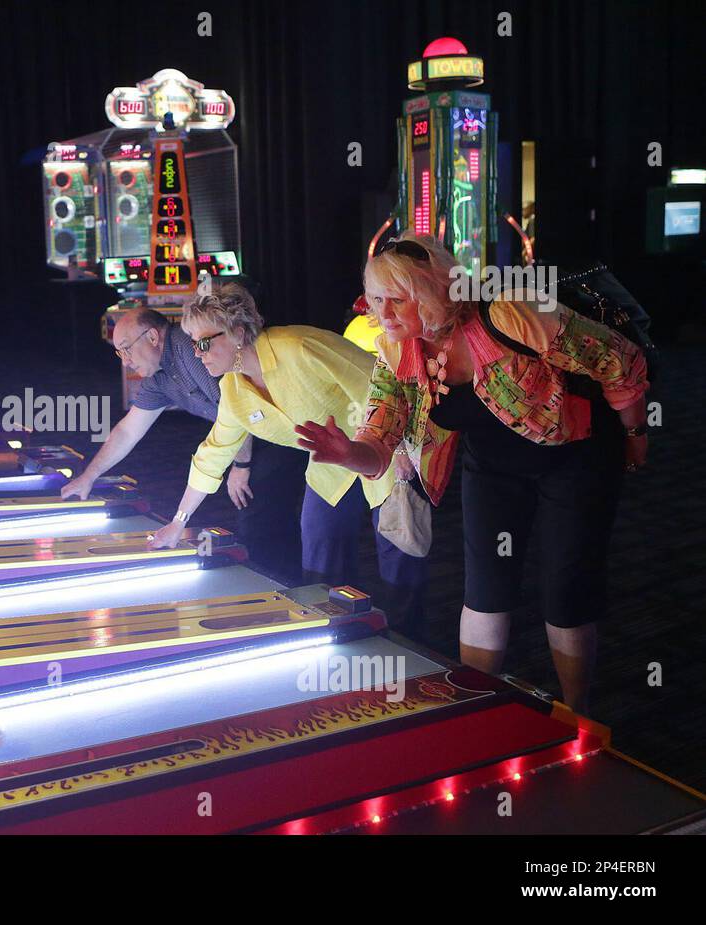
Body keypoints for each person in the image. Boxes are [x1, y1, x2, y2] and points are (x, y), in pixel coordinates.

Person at [295, 232, 649, 714]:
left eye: (398, 300)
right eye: (376, 299)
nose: (383, 313)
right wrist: (347, 452)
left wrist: (635, 432)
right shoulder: (397, 349)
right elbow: (379, 442)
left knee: (566, 588)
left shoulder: (509, 314)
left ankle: (576, 711)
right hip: (493, 465)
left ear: (435, 294)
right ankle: (476, 705)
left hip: (575, 454)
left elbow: (618, 359)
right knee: (484, 587)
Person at [146, 281, 427, 626]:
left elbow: (380, 382)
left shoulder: (298, 347)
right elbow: (212, 455)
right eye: (193, 344)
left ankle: (413, 647)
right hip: (332, 468)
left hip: (385, 449)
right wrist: (178, 523)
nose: (198, 354)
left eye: (204, 342)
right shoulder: (234, 391)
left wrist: (400, 447)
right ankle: (343, 635)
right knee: (321, 562)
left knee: (399, 557)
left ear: (236, 332)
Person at [61, 304, 307, 583]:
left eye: (127, 348)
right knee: (266, 520)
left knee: (259, 523)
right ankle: (288, 586)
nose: (125, 360)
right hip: (248, 436)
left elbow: (236, 407)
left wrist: (241, 465)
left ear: (152, 337)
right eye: (119, 352)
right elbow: (128, 431)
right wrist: (89, 476)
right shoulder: (159, 377)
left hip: (275, 430)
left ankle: (285, 593)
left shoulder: (189, 350)